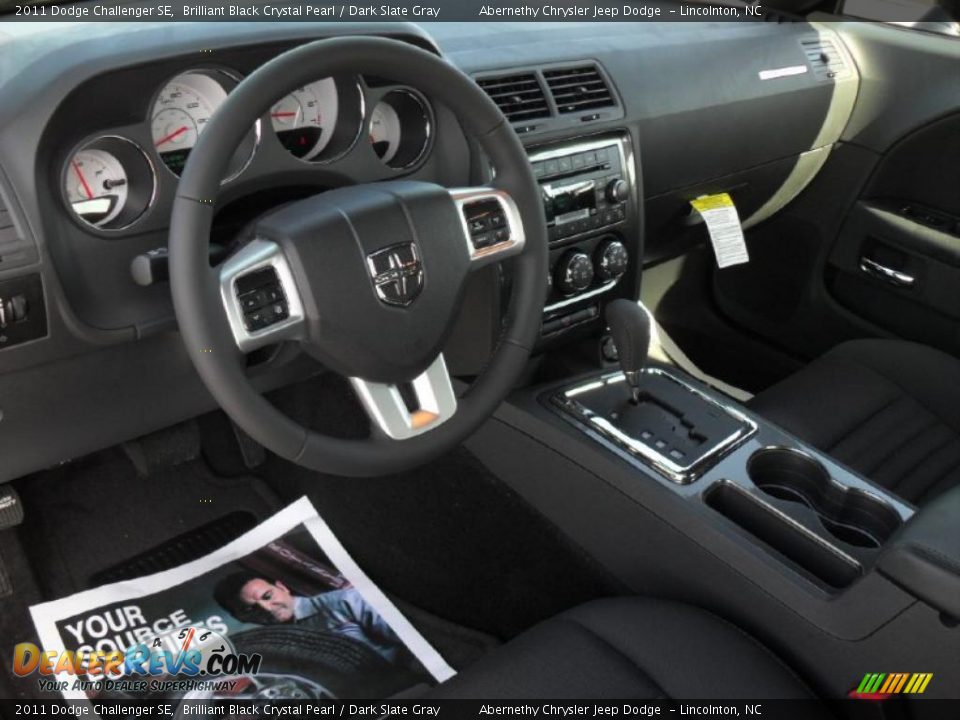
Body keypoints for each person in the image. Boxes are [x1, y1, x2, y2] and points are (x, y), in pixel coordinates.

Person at [214, 571, 407, 665]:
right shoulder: (273, 648)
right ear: (239, 618)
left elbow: (411, 643)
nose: (266, 608)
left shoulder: (345, 601)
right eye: (250, 610)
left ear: (282, 587)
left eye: (267, 596)